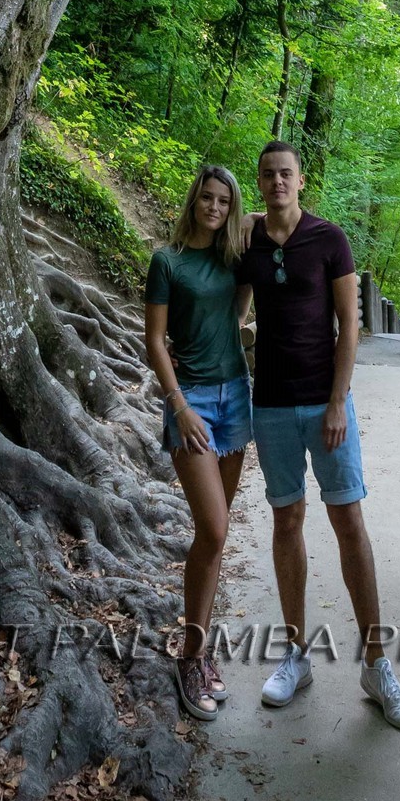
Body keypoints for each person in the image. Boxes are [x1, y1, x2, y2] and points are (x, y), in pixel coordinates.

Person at [234, 140, 400, 731]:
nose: (276, 182)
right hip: (270, 406)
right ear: (259, 183)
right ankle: (296, 655)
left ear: (301, 180)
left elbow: (350, 327)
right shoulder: (248, 242)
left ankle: (376, 664)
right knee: (287, 522)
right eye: (267, 175)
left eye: (285, 174)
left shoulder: (330, 239)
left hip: (326, 405)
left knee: (349, 523)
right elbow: (232, 310)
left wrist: (338, 401)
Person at [143, 163, 253, 722]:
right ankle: (189, 659)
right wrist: (179, 405)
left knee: (215, 537)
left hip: (237, 397)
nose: (215, 207)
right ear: (194, 201)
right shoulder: (168, 261)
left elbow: (273, 222)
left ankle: (200, 650)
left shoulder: (234, 257)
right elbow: (154, 341)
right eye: (207, 198)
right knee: (212, 528)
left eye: (224, 201)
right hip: (193, 406)